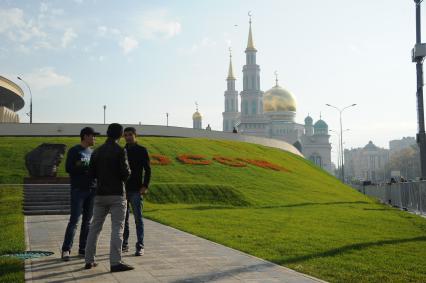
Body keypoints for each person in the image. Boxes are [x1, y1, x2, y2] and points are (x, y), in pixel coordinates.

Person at [85, 123, 134, 272]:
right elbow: (126, 173)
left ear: (107, 133)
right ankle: (115, 262)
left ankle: (89, 260)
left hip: (100, 194)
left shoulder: (97, 151)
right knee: (117, 229)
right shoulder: (120, 151)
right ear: (120, 135)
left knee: (94, 228)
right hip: (117, 194)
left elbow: (91, 174)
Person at [61, 127, 98, 261]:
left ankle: (83, 249)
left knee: (87, 222)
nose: (95, 139)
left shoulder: (93, 152)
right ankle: (66, 249)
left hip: (92, 190)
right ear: (85, 136)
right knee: (74, 220)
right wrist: (83, 166)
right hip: (78, 190)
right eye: (93, 136)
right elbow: (68, 168)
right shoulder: (75, 150)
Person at [122, 127, 151, 256]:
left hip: (136, 190)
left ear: (135, 135)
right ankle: (124, 244)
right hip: (123, 190)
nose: (128, 137)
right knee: (124, 219)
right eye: (125, 135)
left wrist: (145, 186)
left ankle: (140, 245)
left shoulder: (142, 150)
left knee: (138, 219)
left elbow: (148, 170)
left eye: (130, 135)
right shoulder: (122, 151)